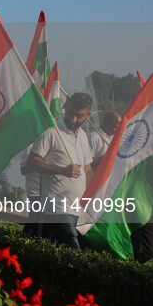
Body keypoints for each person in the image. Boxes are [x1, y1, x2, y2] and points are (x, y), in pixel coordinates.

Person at [27, 92, 94, 249]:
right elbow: (32, 162)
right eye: (70, 113)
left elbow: (88, 168)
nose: (73, 119)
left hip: (79, 208)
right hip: (56, 207)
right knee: (74, 252)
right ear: (65, 108)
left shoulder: (84, 136)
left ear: (88, 115)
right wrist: (62, 170)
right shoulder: (51, 131)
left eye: (79, 116)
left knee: (81, 252)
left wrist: (96, 195)